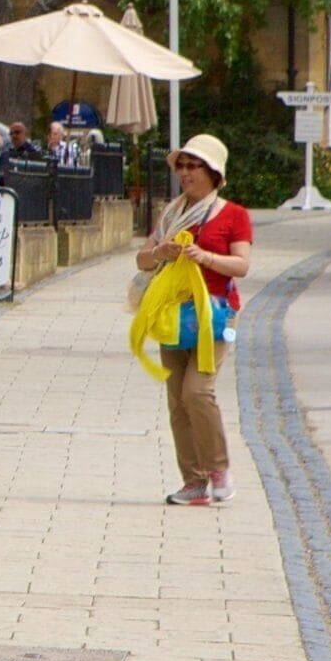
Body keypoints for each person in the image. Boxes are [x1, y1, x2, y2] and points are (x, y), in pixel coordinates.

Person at [130, 133, 253, 505]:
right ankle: (194, 482)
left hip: (215, 315)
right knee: (178, 402)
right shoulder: (170, 213)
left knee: (197, 392)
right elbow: (142, 260)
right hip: (171, 314)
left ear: (213, 171)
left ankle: (218, 468)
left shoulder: (232, 215)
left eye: (192, 165)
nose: (184, 173)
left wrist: (205, 258)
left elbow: (242, 265)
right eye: (180, 165)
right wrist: (162, 251)